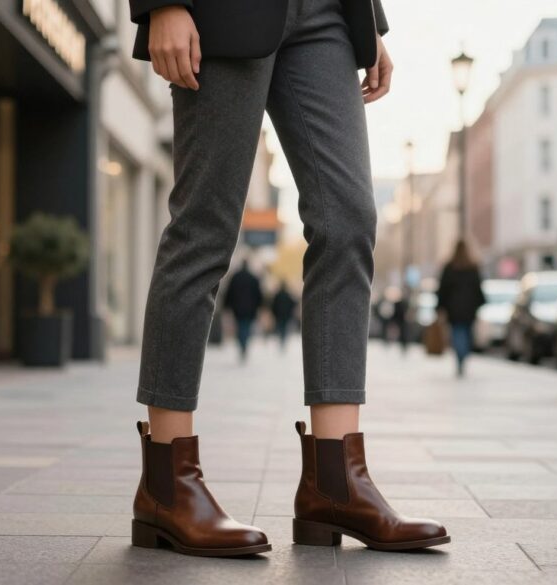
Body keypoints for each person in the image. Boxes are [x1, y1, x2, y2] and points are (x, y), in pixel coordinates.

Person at [129, 0, 449, 558]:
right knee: (205, 227)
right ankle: (167, 485)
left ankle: (337, 482)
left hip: (328, 16)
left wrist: (369, 22)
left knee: (349, 222)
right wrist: (163, 4)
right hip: (223, 12)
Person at [437, 240, 487, 378]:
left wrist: (440, 307)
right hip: (469, 310)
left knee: (457, 333)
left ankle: (460, 356)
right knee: (466, 333)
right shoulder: (472, 267)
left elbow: (442, 290)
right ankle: (462, 355)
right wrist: (479, 303)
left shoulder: (450, 267)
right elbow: (478, 289)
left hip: (453, 309)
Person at [222, 261, 263, 362]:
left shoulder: (235, 277)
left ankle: (242, 344)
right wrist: (259, 306)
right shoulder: (253, 278)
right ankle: (244, 345)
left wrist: (226, 305)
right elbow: (258, 294)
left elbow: (229, 292)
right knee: (246, 327)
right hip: (250, 308)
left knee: (240, 326)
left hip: (237, 307)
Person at [270, 281, 297, 350]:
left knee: (280, 327)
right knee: (284, 327)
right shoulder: (288, 295)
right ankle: (283, 339)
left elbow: (273, 305)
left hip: (279, 315)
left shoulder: (277, 295)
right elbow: (293, 304)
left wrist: (274, 313)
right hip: (286, 314)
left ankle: (281, 339)